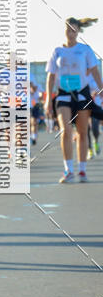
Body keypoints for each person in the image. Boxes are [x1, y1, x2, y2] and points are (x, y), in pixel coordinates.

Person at [45, 17, 103, 183]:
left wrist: (100, 89)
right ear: (65, 31)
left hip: (82, 94)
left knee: (83, 132)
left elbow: (94, 70)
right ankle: (68, 170)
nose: (70, 32)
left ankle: (82, 170)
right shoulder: (57, 51)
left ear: (78, 31)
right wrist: (48, 99)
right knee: (66, 131)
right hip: (63, 94)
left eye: (74, 29)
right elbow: (50, 76)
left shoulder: (85, 50)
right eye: (68, 29)